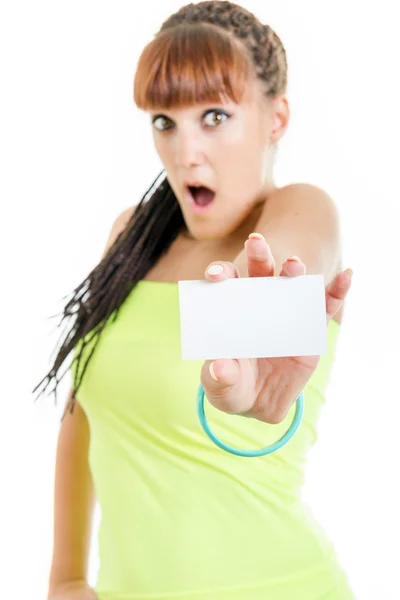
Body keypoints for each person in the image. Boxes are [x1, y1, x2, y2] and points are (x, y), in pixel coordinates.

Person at [34, 2, 356, 599]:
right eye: (164, 121)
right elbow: (82, 413)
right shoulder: (130, 237)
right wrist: (67, 576)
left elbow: (275, 265)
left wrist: (244, 334)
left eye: (214, 116)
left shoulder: (303, 210)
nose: (185, 154)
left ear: (276, 118)